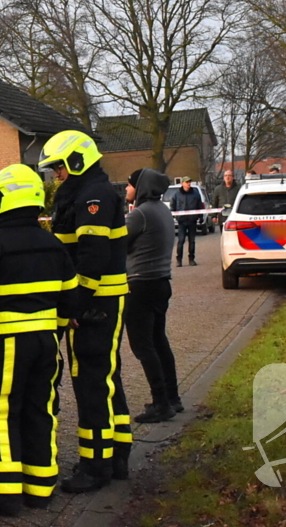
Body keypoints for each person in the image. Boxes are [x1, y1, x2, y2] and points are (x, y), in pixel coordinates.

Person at [0, 165, 79, 516]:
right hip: (46, 342)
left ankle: (4, 495)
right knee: (41, 409)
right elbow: (71, 298)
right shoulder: (53, 244)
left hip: (6, 343)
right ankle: (40, 488)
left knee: (0, 412)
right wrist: (57, 327)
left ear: (1, 201)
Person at [38, 130, 131, 493]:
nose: (56, 173)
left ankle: (96, 466)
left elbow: (92, 259)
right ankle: (118, 454)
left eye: (59, 166)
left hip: (96, 303)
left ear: (77, 160)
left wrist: (75, 304)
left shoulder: (92, 195)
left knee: (91, 380)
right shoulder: (87, 191)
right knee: (107, 377)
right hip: (100, 301)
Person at [124, 168, 181, 423]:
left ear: (140, 186)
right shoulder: (163, 210)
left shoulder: (140, 214)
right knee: (159, 341)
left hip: (140, 285)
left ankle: (160, 403)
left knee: (143, 346)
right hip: (161, 283)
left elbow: (117, 243)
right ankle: (172, 397)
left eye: (129, 185)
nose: (126, 190)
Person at [170, 177, 202, 267]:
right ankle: (179, 260)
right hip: (182, 221)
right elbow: (173, 205)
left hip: (192, 220)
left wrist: (200, 216)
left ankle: (191, 259)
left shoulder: (195, 194)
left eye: (189, 182)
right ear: (182, 183)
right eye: (187, 182)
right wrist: (175, 215)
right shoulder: (177, 194)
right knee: (181, 240)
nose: (189, 184)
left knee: (192, 241)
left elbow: (199, 205)